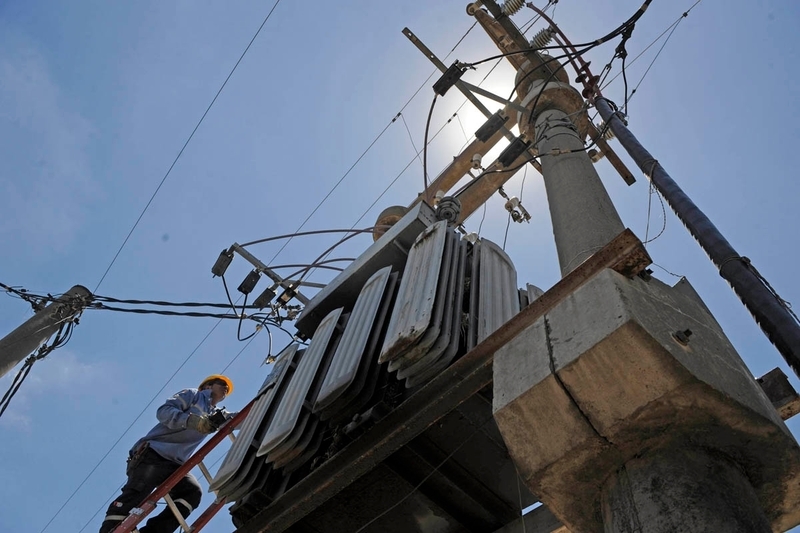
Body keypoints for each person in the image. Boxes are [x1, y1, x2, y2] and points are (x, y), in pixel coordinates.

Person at [99, 374, 235, 533]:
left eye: (227, 388)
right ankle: (110, 530)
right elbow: (164, 411)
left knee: (191, 493)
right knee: (135, 496)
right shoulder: (193, 395)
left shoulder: (217, 415)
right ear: (208, 386)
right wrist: (192, 421)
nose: (226, 387)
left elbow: (238, 418)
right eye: (221, 383)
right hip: (154, 454)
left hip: (175, 464)